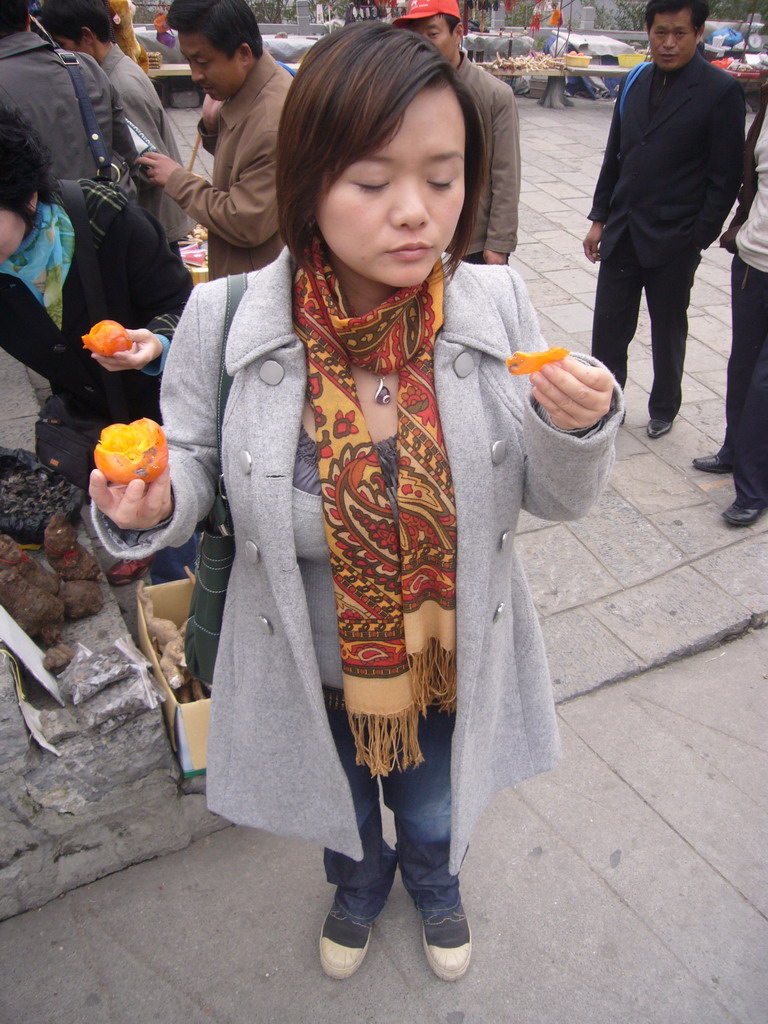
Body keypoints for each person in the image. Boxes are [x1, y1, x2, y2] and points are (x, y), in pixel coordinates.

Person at [89, 23, 620, 981]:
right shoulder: (225, 320)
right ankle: (357, 882)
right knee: (336, 795)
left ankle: (434, 876)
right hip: (301, 655)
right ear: (308, 186)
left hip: (443, 653)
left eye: (444, 177)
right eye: (374, 184)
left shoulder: (495, 307)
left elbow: (553, 497)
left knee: (428, 799)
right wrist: (151, 502)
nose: (417, 214)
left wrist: (577, 428)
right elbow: (197, 466)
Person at [0, 106, 193, 584]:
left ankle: (179, 582)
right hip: (96, 416)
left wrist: (156, 343)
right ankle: (136, 543)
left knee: (178, 524)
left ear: (24, 193)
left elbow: (184, 305)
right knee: (123, 507)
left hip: (167, 412)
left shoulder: (107, 220)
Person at [583, 0, 744, 440]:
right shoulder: (635, 80)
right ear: (648, 32)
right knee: (609, 328)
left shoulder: (720, 91)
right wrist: (599, 218)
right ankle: (605, 406)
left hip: (674, 238)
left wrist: (697, 237)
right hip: (623, 231)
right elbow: (616, 155)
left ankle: (664, 406)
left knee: (669, 327)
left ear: (698, 32)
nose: (668, 43)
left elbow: (725, 176)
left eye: (679, 33)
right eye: (660, 33)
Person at [136, 0, 292, 279]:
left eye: (203, 61)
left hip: (259, 285)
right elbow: (244, 165)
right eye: (189, 60)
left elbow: (246, 222)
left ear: (243, 53)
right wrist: (213, 128)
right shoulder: (249, 91)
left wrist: (177, 181)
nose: (195, 75)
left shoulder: (271, 119)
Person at [39, 0, 194, 250]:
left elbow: (148, 167)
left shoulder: (120, 86)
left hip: (155, 227)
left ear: (86, 36)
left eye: (65, 46)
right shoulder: (116, 73)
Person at [692, 84, 768, 527]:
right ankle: (735, 451)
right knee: (742, 368)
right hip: (754, 263)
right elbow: (751, 179)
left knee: (763, 385)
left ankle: (754, 489)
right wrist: (739, 230)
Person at [394, 0, 520, 265]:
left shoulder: (494, 95)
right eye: (414, 35)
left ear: (458, 32)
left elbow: (506, 174)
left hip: (469, 240)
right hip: (415, 236)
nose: (423, 44)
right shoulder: (400, 91)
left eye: (432, 34)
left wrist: (498, 244)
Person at [0, 0, 137, 197]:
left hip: (40, 223)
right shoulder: (84, 65)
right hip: (107, 213)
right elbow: (129, 156)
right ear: (27, 18)